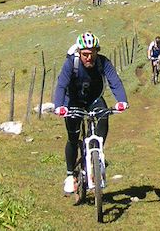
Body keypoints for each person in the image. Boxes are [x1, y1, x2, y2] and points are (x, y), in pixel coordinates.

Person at [53, 32, 128, 195]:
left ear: (97, 52)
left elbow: (114, 81)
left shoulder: (103, 62)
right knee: (73, 138)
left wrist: (122, 101)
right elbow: (61, 85)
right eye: (85, 54)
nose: (89, 58)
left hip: (94, 98)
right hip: (72, 100)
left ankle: (96, 154)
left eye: (92, 53)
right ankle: (70, 175)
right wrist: (59, 106)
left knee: (104, 115)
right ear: (79, 53)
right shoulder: (70, 64)